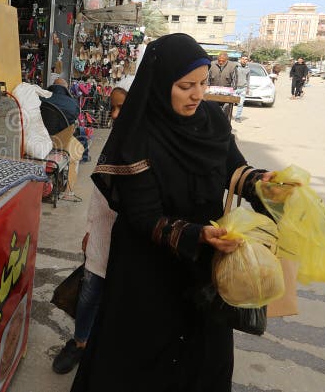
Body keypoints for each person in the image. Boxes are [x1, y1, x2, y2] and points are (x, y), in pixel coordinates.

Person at [70, 33, 274, 392]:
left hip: (204, 266)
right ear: (162, 83)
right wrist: (198, 235)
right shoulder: (139, 134)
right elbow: (144, 216)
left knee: (201, 356)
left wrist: (263, 184)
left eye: (203, 82)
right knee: (139, 360)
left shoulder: (212, 119)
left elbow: (233, 171)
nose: (198, 94)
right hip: (147, 271)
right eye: (185, 86)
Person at [52, 86, 127, 374]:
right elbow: (98, 193)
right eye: (113, 107)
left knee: (120, 299)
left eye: (122, 107)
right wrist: (89, 228)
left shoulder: (148, 142)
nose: (115, 113)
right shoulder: (114, 144)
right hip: (102, 234)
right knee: (89, 294)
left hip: (130, 239)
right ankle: (79, 342)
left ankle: (106, 349)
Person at [232, 56, 251, 122]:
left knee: (240, 104)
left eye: (246, 59)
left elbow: (248, 79)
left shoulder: (248, 69)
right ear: (240, 59)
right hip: (234, 88)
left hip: (243, 88)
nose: (244, 60)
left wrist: (248, 88)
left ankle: (238, 117)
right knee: (231, 103)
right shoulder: (236, 66)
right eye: (243, 59)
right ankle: (228, 115)